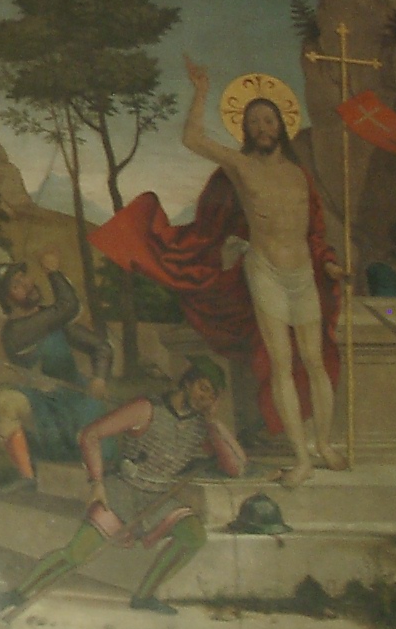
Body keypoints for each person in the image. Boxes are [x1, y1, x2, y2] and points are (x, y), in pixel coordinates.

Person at [93, 66, 342, 484]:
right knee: (282, 363)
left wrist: (329, 262)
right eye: (254, 122)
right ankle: (302, 458)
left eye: (268, 120)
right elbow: (193, 139)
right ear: (245, 130)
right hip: (265, 270)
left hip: (302, 273)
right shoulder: (241, 165)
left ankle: (324, 444)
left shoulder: (298, 174)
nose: (262, 128)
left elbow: (314, 229)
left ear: (281, 125)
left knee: (315, 361)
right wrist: (201, 91)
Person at [2, 359, 245, 616]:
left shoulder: (201, 425)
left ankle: (144, 596)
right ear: (188, 382)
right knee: (77, 554)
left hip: (159, 498)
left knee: (194, 535)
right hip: (122, 492)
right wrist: (97, 484)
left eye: (212, 395)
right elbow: (90, 435)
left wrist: (215, 423)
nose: (204, 398)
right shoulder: (146, 408)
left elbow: (236, 467)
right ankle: (19, 593)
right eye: (202, 388)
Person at [0, 252, 112, 487]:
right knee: (5, 402)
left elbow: (101, 348)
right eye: (16, 285)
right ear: (7, 299)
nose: (27, 284)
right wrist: (53, 272)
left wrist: (99, 379)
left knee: (95, 451)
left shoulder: (52, 320)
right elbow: (68, 306)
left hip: (75, 400)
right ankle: (27, 477)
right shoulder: (17, 332)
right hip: (42, 407)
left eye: (24, 277)